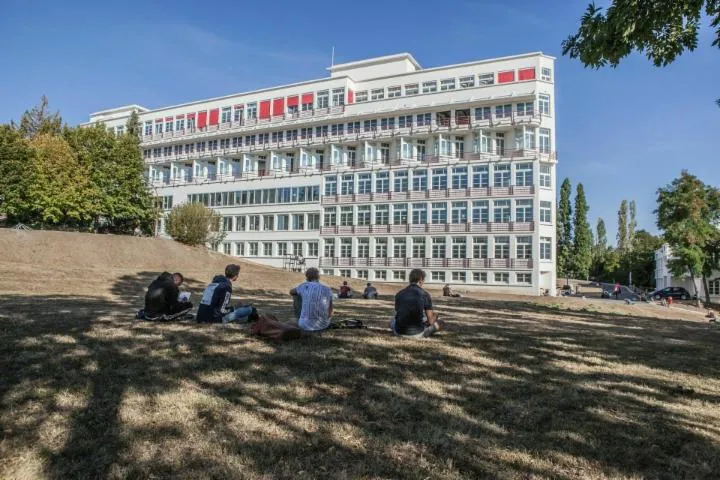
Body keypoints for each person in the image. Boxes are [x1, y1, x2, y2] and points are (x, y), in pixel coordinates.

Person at [391, 269, 444, 338]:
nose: (423, 282)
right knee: (441, 322)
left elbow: (398, 313)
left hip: (398, 332)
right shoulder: (425, 294)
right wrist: (436, 316)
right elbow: (431, 321)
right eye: (423, 280)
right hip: (417, 333)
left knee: (392, 321)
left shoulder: (399, 293)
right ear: (420, 279)